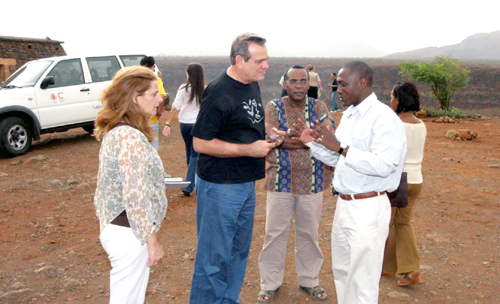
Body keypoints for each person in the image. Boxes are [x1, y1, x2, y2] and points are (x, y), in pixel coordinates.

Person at [295, 61, 407, 304]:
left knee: (363, 279)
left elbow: (384, 165)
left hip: (368, 207)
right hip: (345, 205)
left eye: (344, 84)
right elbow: (339, 159)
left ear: (362, 82)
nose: (339, 89)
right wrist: (312, 143)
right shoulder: (350, 116)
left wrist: (342, 148)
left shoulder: (384, 118)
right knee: (343, 273)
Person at [189, 33, 279, 304]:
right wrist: (248, 150)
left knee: (237, 253)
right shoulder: (218, 91)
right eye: (260, 61)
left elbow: (244, 126)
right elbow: (200, 142)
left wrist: (269, 134)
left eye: (267, 60)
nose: (266, 66)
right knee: (213, 257)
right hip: (220, 186)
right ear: (240, 60)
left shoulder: (251, 83)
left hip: (244, 183)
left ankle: (228, 300)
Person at [257, 66, 334, 303]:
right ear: (285, 83)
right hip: (280, 180)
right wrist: (302, 138)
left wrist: (292, 139)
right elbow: (273, 136)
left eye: (303, 81)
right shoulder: (273, 107)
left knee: (309, 234)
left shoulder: (319, 106)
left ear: (308, 84)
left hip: (313, 180)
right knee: (274, 234)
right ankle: (269, 284)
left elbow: (326, 135)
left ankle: (310, 280)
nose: (299, 85)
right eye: (294, 81)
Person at [93, 66, 168, 304]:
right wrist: (151, 241)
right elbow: (134, 196)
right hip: (129, 232)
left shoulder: (120, 131)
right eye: (154, 93)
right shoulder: (129, 137)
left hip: (121, 227)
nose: (160, 98)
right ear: (136, 98)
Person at [382, 81, 427, 286]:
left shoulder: (396, 125)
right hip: (416, 180)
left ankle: (408, 268)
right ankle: (389, 268)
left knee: (389, 223)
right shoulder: (421, 124)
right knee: (401, 222)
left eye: (392, 96)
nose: (390, 100)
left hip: (398, 180)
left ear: (398, 100)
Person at [162, 63, 205, 197]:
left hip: (184, 124)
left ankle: (190, 180)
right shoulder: (204, 89)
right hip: (197, 125)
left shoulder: (183, 89)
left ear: (189, 74)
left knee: (189, 151)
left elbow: (175, 107)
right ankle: (189, 185)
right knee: (194, 155)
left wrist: (168, 123)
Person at [140, 56, 167, 151]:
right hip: (151, 118)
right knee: (153, 146)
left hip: (138, 118)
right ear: (153, 66)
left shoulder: (135, 81)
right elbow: (162, 96)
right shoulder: (155, 80)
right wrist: (159, 112)